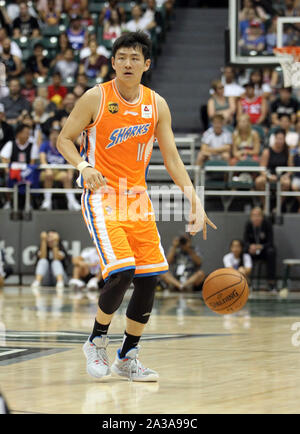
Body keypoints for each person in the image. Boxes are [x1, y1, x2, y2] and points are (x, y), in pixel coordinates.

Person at [57, 32, 216, 382]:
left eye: (134, 58)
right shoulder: (95, 98)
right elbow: (64, 139)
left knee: (149, 278)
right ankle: (96, 341)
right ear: (112, 62)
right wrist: (84, 166)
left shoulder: (156, 104)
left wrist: (193, 197)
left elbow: (172, 157)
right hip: (102, 196)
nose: (127, 63)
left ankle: (127, 355)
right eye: (121, 57)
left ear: (147, 64)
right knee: (123, 270)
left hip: (137, 199)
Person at [39, 124, 81, 211]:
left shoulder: (63, 146)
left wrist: (70, 172)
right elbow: (42, 159)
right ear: (50, 135)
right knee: (48, 176)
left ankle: (71, 201)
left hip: (59, 171)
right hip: (47, 171)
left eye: (57, 134)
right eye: (53, 134)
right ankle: (47, 201)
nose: (55, 136)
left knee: (66, 177)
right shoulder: (45, 145)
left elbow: (69, 160)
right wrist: (48, 169)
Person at [255, 129, 292, 207]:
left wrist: (284, 176)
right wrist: (269, 176)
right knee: (259, 181)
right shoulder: (267, 151)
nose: (280, 141)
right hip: (269, 174)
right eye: (278, 139)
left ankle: (278, 206)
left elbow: (290, 169)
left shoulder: (288, 151)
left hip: (282, 175)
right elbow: (262, 168)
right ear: (275, 138)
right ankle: (265, 205)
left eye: (281, 139)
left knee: (286, 183)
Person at [243, 207, 277, 292]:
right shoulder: (248, 224)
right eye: (254, 215)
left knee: (271, 252)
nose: (256, 218)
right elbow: (245, 241)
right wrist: (250, 247)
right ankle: (246, 282)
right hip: (252, 251)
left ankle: (271, 283)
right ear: (251, 217)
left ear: (262, 217)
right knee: (244, 251)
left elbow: (270, 242)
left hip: (264, 251)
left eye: (258, 215)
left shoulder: (267, 224)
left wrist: (260, 247)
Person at [31, 230, 70, 295]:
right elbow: (42, 257)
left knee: (56, 262)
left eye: (53, 237)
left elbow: (56, 257)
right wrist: (43, 241)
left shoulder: (60, 248)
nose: (51, 239)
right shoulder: (42, 247)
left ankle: (60, 282)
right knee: (43, 261)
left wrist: (55, 242)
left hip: (60, 278)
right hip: (46, 279)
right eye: (49, 237)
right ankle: (37, 281)